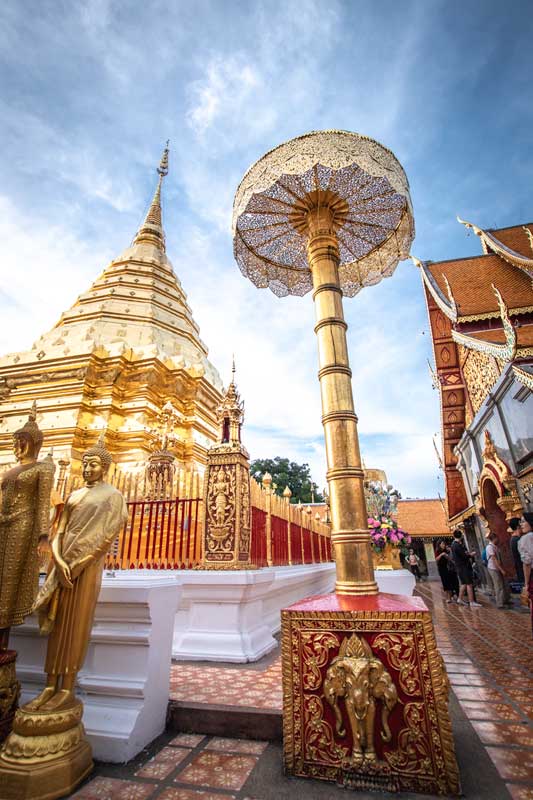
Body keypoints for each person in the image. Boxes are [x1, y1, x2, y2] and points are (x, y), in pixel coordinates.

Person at [26, 434, 127, 712]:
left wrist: (82, 561)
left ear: (105, 467)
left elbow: (108, 534)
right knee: (57, 628)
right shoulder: (74, 495)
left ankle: (67, 686)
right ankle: (50, 685)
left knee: (76, 624)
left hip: (86, 568)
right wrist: (58, 560)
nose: (87, 469)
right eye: (85, 464)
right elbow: (58, 531)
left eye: (93, 464)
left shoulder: (113, 496)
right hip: (62, 566)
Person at [451, 529, 482, 607]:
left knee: (464, 583)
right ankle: (471, 601)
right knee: (469, 584)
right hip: (463, 566)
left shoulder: (454, 544)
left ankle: (460, 598)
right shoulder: (457, 545)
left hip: (460, 567)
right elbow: (464, 556)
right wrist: (471, 554)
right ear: (461, 536)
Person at [486, 533, 512, 609]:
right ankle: (500, 603)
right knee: (498, 585)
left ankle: (505, 599)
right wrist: (501, 569)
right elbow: (494, 559)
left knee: (503, 584)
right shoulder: (489, 547)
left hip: (497, 567)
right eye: (497, 538)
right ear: (494, 538)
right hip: (493, 568)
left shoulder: (495, 546)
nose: (498, 539)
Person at [518, 512, 533, 637]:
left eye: (523, 521)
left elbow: (527, 563)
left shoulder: (526, 538)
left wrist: (527, 584)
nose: (521, 524)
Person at [509, 517, 524, 585]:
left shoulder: (513, 539)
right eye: (521, 524)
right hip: (523, 569)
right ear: (518, 527)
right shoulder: (517, 540)